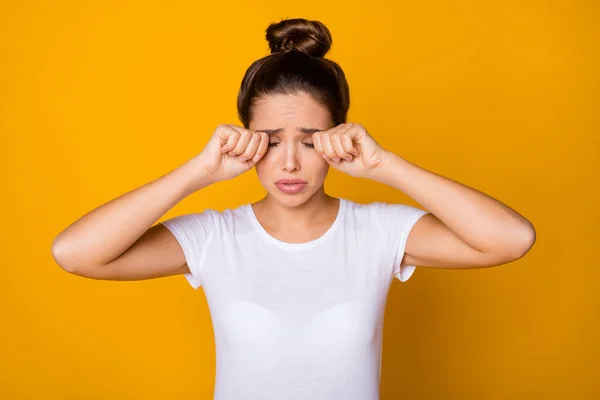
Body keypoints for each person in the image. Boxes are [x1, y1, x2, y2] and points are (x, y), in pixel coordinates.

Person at [52, 18, 536, 400]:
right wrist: (198, 173)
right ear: (244, 140)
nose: (288, 162)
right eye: (269, 140)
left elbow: (512, 239)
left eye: (308, 142)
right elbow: (75, 253)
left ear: (338, 137)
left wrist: (385, 165)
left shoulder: (378, 232)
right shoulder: (214, 238)